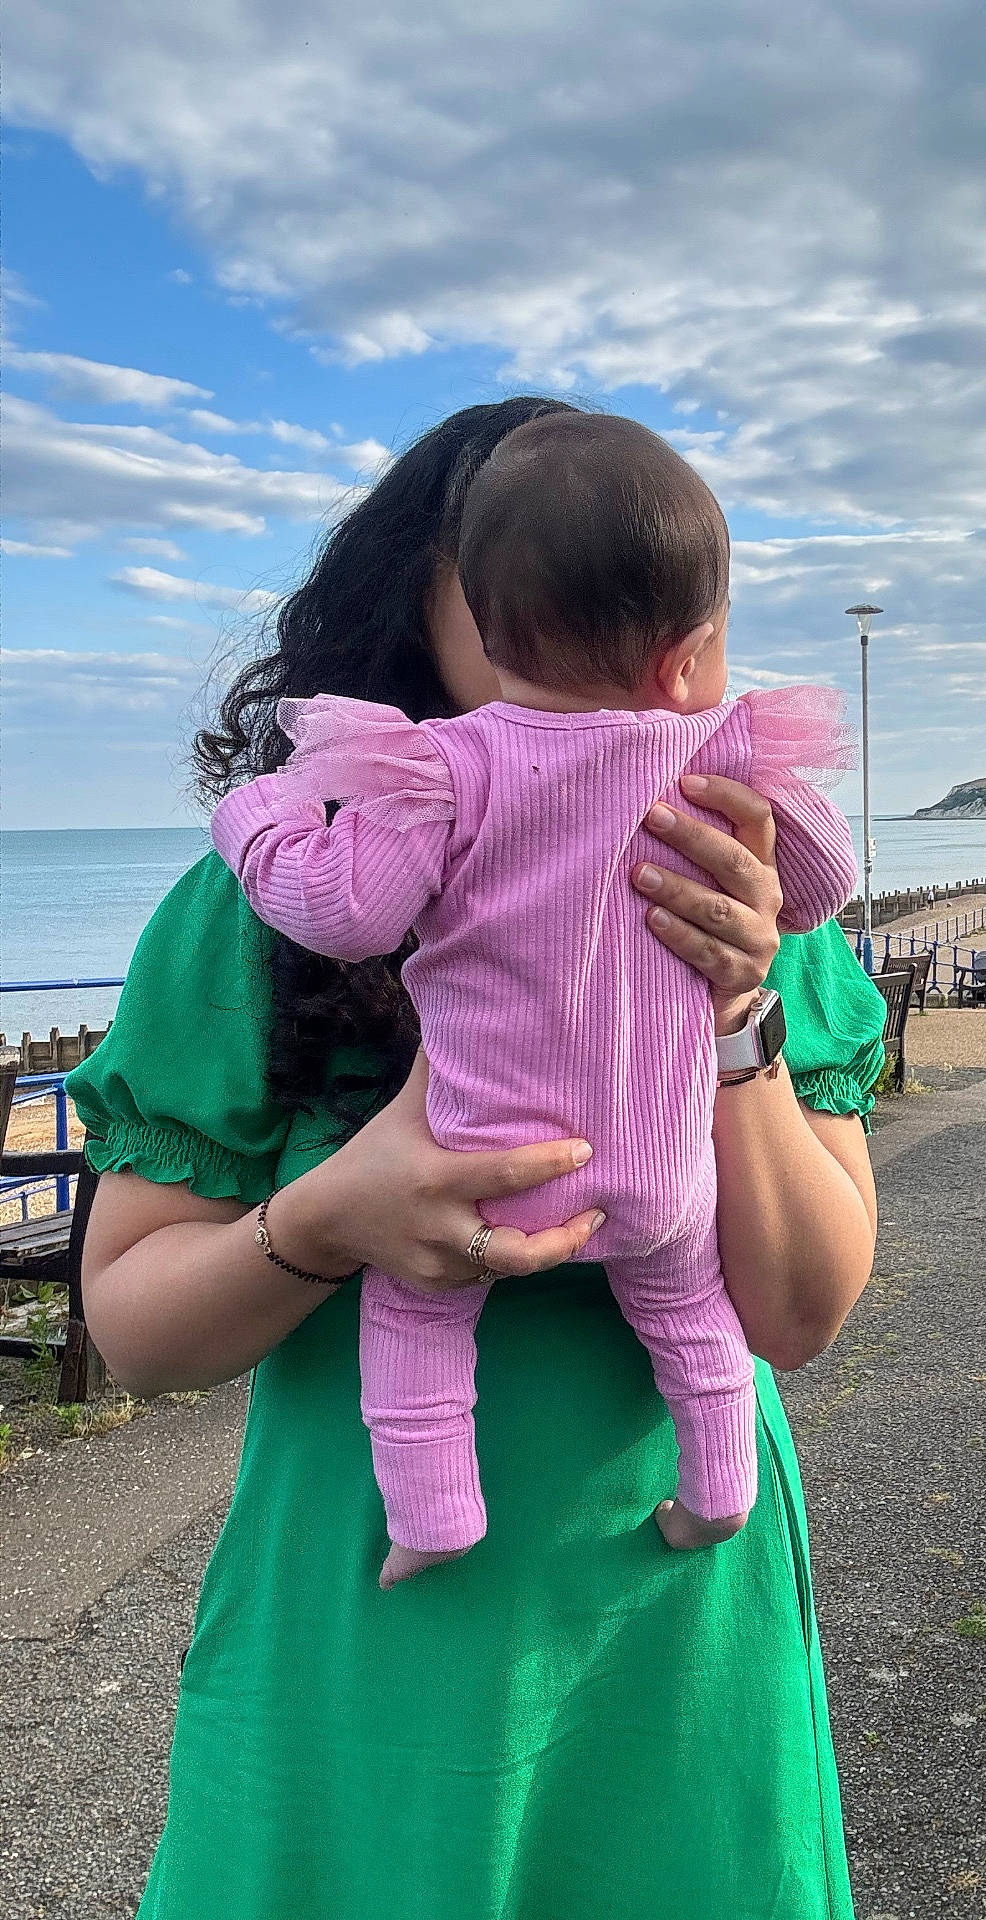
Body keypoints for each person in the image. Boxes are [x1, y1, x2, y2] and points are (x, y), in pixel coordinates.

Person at [67, 399, 883, 1919]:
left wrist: (739, 1015)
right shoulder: (268, 909)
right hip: (365, 1622)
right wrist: (324, 1221)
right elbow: (132, 1332)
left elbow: (802, 1312)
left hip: (676, 1613)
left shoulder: (764, 884)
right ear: (428, 619)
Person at [211, 414, 859, 1578]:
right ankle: (716, 1496)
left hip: (485, 1172)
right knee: (694, 1322)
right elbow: (826, 885)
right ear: (691, 650)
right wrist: (760, 895)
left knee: (413, 1318)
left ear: (488, 629)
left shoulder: (447, 770)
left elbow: (346, 909)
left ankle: (434, 1521)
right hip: (665, 1173)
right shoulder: (718, 756)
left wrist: (254, 817)